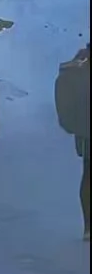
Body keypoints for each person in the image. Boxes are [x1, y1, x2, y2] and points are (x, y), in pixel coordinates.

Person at [54, 43, 90, 240]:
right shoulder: (80, 64)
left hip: (85, 130)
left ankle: (89, 227)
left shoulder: (79, 62)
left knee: (89, 172)